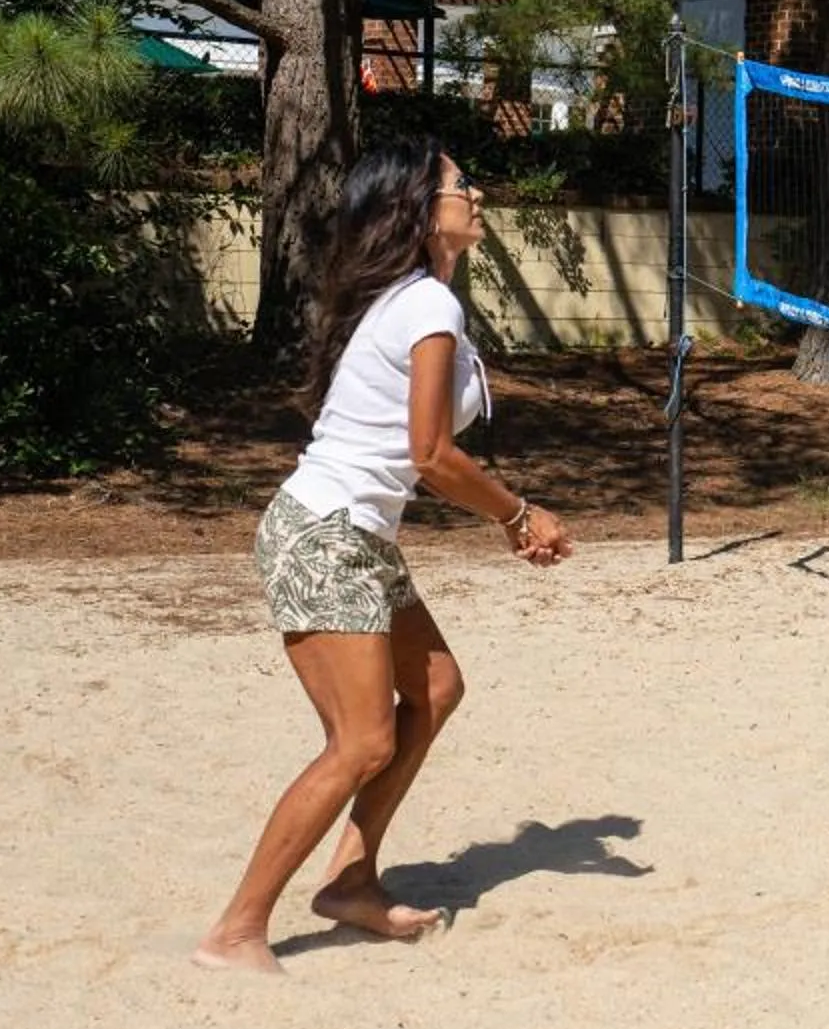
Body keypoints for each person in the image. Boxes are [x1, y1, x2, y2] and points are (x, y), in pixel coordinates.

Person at [194, 138, 573, 973]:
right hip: (325, 534)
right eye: (459, 183)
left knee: (434, 689)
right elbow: (432, 455)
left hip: (350, 535)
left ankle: (351, 882)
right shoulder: (424, 308)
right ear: (417, 210)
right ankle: (236, 930)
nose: (475, 193)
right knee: (361, 742)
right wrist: (517, 516)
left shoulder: (420, 299)